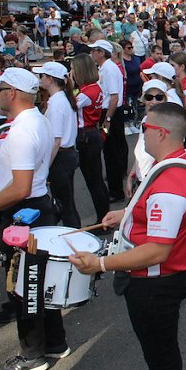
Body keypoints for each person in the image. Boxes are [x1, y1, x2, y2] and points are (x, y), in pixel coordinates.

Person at [70, 102, 186, 370]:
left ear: (159, 133)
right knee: (162, 355)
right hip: (165, 279)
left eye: (144, 128)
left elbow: (157, 250)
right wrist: (127, 214)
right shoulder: (181, 160)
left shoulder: (170, 183)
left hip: (155, 284)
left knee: (163, 361)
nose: (140, 134)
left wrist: (100, 264)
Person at [0, 68, 69, 370]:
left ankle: (32, 354)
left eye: (0, 89)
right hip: (33, 208)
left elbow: (21, 186)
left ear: (12, 93)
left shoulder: (23, 129)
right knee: (37, 282)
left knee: (23, 287)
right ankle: (55, 341)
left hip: (23, 210)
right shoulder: (35, 119)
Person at [35, 62, 80, 228]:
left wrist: (45, 166)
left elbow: (56, 140)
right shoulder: (62, 99)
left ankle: (73, 236)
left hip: (61, 157)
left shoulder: (56, 104)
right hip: (67, 155)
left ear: (50, 79)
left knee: (64, 204)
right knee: (67, 201)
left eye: (42, 76)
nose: (40, 79)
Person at [70, 53, 110, 223]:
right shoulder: (94, 88)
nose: (71, 72)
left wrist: (69, 87)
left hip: (86, 135)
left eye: (73, 69)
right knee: (96, 179)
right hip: (92, 133)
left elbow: (70, 106)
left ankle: (102, 218)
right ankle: (104, 214)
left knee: (93, 180)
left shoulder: (85, 93)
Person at [91, 39, 127, 203]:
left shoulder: (109, 69)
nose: (92, 53)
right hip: (110, 112)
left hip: (111, 113)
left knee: (111, 152)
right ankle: (115, 186)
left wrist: (108, 119)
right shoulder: (106, 67)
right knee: (111, 151)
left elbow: (114, 97)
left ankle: (116, 190)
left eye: (94, 50)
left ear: (101, 52)